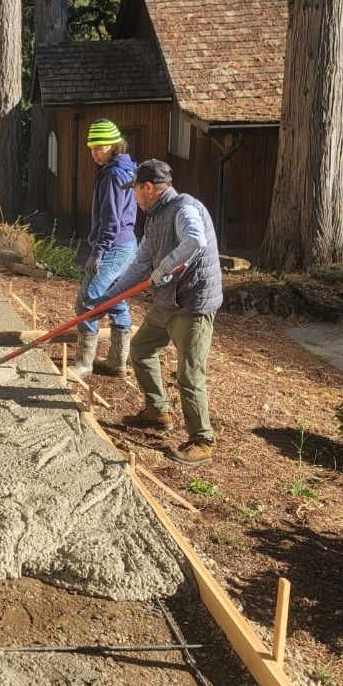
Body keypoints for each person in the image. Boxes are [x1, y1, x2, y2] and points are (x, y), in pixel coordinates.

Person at [94, 160, 223, 464]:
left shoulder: (183, 208)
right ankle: (157, 410)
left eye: (135, 191)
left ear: (148, 188)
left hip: (192, 305)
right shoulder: (154, 217)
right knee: (141, 348)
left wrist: (164, 268)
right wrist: (108, 297)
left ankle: (202, 440)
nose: (133, 197)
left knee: (189, 374)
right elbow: (139, 264)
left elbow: (195, 240)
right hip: (167, 302)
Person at [68, 119, 139, 381]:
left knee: (88, 299)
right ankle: (117, 361)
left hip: (114, 246)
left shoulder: (112, 175)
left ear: (114, 144)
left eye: (100, 147)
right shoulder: (126, 167)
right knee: (115, 298)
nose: (95, 153)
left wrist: (98, 252)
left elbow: (111, 220)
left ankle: (84, 364)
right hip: (127, 243)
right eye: (92, 148)